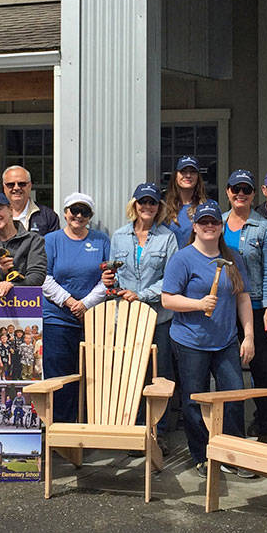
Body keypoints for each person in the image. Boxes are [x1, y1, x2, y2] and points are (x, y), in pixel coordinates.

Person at [162, 200, 254, 477]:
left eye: (214, 221)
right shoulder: (183, 258)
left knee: (234, 394)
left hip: (225, 340)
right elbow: (167, 299)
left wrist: (248, 335)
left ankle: (232, 453)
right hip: (191, 341)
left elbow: (243, 298)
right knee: (194, 399)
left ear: (221, 225)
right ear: (195, 227)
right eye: (204, 222)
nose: (209, 226)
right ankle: (201, 454)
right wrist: (198, 304)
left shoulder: (233, 257)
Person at [109, 182, 181, 451]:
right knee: (131, 374)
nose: (147, 207)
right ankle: (134, 429)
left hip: (158, 318)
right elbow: (113, 274)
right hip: (126, 319)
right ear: (134, 205)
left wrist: (141, 294)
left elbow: (171, 279)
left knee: (159, 375)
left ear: (159, 206)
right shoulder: (118, 237)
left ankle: (157, 432)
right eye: (143, 202)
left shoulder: (168, 238)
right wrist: (111, 282)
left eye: (152, 202)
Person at [221, 169, 267, 442]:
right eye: (236, 189)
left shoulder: (264, 227)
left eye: (246, 190)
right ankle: (230, 427)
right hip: (224, 308)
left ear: (254, 194)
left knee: (261, 369)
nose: (240, 195)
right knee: (226, 368)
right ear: (228, 192)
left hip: (255, 307)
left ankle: (266, 425)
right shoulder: (217, 224)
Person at [41, 192, 110, 421]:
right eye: (74, 210)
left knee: (92, 375)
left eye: (84, 212)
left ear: (90, 216)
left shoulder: (102, 240)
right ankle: (61, 429)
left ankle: (89, 428)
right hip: (57, 319)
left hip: (91, 317)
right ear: (65, 212)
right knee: (60, 378)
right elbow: (44, 277)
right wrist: (70, 302)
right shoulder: (51, 240)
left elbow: (108, 278)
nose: (78, 216)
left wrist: (85, 304)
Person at [0, 165, 60, 244]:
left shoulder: (48, 217)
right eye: (11, 184)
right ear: (4, 187)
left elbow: (54, 250)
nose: (16, 188)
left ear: (30, 185)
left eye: (22, 184)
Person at [162, 155, 208, 247]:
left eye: (192, 172)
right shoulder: (162, 208)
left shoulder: (208, 207)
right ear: (176, 176)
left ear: (198, 177)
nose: (188, 175)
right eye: (183, 171)